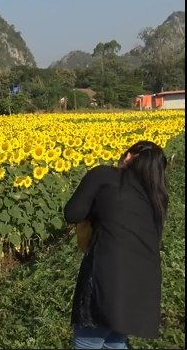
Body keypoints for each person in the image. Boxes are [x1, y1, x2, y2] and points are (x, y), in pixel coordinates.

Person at [64, 140, 169, 349]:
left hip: (109, 278)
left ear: (130, 156)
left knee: (87, 343)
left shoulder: (104, 175)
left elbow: (72, 213)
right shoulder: (156, 196)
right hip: (143, 284)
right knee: (114, 342)